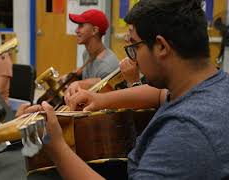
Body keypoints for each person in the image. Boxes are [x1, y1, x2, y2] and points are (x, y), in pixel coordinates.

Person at [38, 0, 229, 179]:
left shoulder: (184, 133)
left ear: (161, 46)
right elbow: (159, 95)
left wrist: (57, 149)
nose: (133, 57)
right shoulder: (208, 84)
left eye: (134, 47)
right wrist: (99, 99)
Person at [64, 9, 119, 96]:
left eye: (81, 26)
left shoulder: (107, 66)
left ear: (94, 30)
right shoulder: (86, 53)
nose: (76, 30)